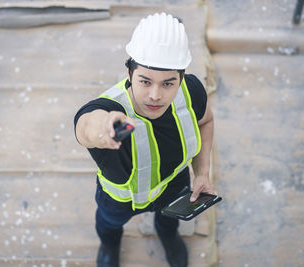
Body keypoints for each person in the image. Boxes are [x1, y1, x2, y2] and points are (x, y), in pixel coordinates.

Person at [74, 12, 214, 267]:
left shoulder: (192, 91)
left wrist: (202, 173)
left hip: (173, 186)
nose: (155, 95)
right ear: (129, 72)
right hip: (120, 199)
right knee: (109, 224)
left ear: (182, 77)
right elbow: (84, 127)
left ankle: (167, 234)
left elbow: (206, 121)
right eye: (145, 81)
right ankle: (110, 244)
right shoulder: (108, 109)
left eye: (168, 83)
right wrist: (103, 127)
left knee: (168, 219)